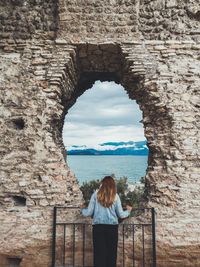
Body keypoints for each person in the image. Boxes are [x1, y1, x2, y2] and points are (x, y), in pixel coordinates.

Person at [80, 176, 132, 267]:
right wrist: (128, 211)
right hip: (112, 228)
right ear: (113, 185)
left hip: (98, 228)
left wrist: (82, 210)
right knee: (111, 254)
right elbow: (121, 215)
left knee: (99, 254)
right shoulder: (115, 196)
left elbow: (88, 213)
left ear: (102, 184)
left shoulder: (95, 195)